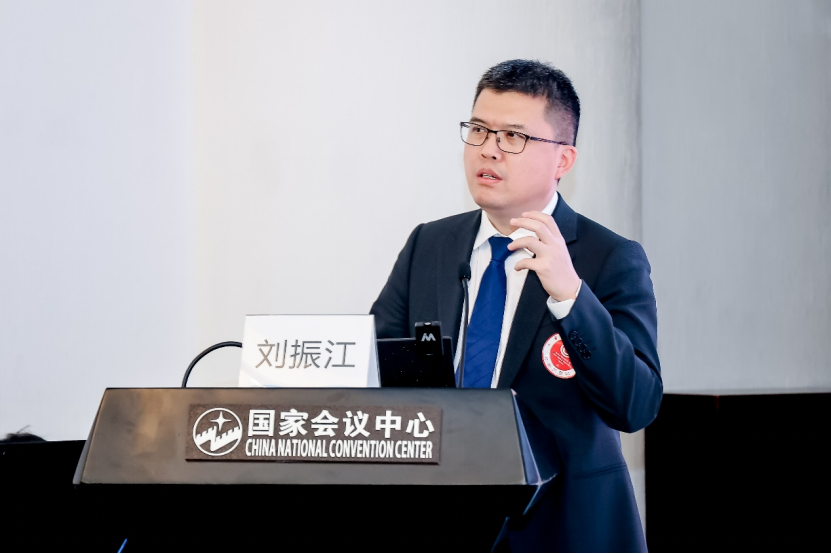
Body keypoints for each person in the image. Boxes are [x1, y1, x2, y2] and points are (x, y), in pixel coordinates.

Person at [370, 59, 662, 552]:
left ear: (563, 160)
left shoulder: (608, 257)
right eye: (479, 130)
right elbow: (373, 367)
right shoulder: (430, 245)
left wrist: (570, 295)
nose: (489, 149)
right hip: (439, 518)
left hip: (562, 528)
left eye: (513, 137)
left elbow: (635, 405)